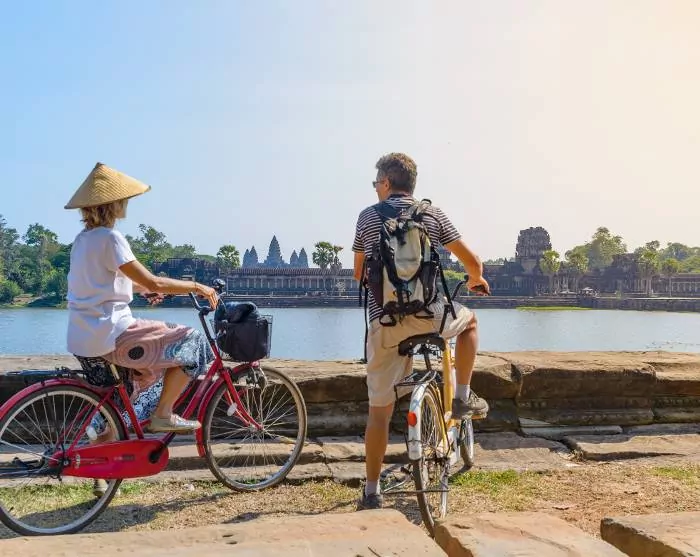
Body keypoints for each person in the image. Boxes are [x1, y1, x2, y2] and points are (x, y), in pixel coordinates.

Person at [65, 162, 218, 494]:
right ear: (115, 204)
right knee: (192, 341)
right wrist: (196, 286)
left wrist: (141, 290)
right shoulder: (111, 238)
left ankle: (100, 473)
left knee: (121, 400)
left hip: (82, 338)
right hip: (112, 334)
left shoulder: (82, 241)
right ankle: (164, 413)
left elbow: (106, 283)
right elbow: (152, 280)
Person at [352, 153, 491, 510]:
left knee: (379, 412)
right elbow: (473, 262)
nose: (375, 188)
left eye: (376, 182)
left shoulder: (368, 217)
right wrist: (475, 280)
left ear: (386, 182)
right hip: (430, 316)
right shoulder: (432, 214)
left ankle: (371, 490)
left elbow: (358, 273)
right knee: (470, 322)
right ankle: (462, 396)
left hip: (384, 322)